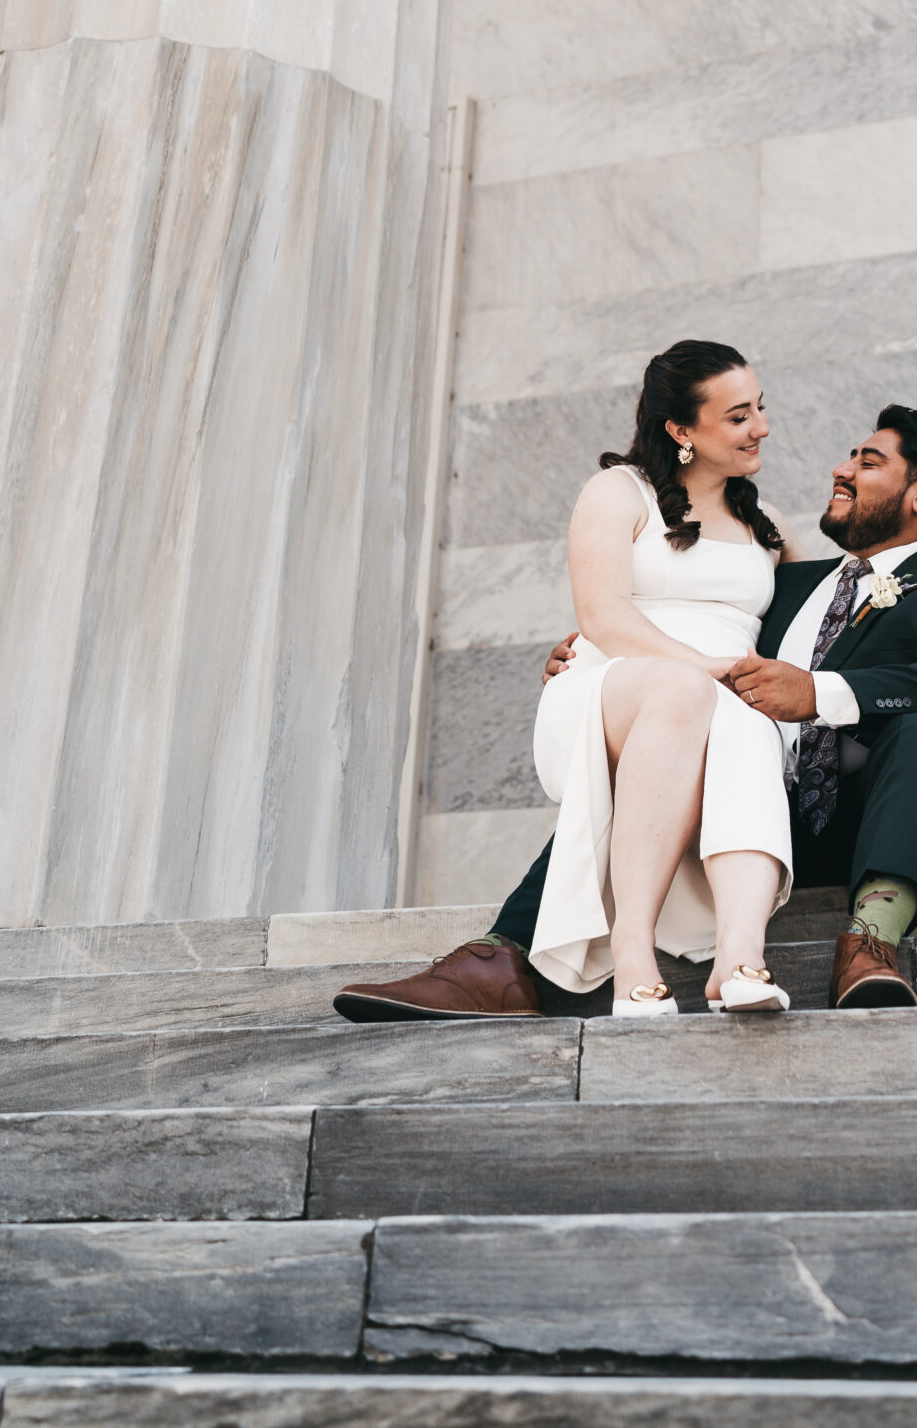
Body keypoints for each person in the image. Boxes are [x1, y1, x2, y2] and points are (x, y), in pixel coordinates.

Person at [335, 401, 917, 1022]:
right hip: (759, 818)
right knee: (664, 740)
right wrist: (598, 664)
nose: (840, 470)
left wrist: (815, 693)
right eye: (849, 455)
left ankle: (871, 941)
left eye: (867, 462)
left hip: (881, 821)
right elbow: (692, 645)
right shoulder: (779, 584)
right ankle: (501, 960)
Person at [339, 340, 802, 1022]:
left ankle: (739, 957)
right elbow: (603, 616)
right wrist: (705, 668)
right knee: (687, 693)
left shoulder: (769, 530)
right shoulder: (618, 492)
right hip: (613, 685)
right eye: (737, 416)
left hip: (723, 705)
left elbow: (817, 629)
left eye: (760, 408)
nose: (760, 426)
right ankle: (633, 960)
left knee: (749, 725)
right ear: (681, 430)